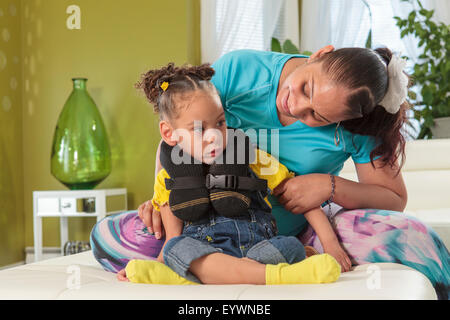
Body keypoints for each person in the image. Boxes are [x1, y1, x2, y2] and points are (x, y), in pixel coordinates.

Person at [90, 46, 449, 299]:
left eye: (316, 118)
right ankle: (242, 267)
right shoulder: (240, 71)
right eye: (306, 88)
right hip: (201, 227)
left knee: (412, 237)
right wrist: (160, 201)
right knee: (106, 236)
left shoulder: (356, 124)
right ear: (319, 54)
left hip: (296, 232)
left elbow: (393, 200)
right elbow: (180, 130)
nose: (295, 105)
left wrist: (329, 187)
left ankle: (206, 269)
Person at [115, 63, 342, 285]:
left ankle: (197, 279)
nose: (214, 135)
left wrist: (330, 244)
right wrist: (162, 260)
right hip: (205, 253)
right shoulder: (170, 176)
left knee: (292, 246)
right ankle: (276, 276)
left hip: (257, 249)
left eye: (220, 123)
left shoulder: (252, 157)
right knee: (177, 248)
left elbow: (300, 195)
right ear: (169, 133)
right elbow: (172, 237)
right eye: (198, 128)